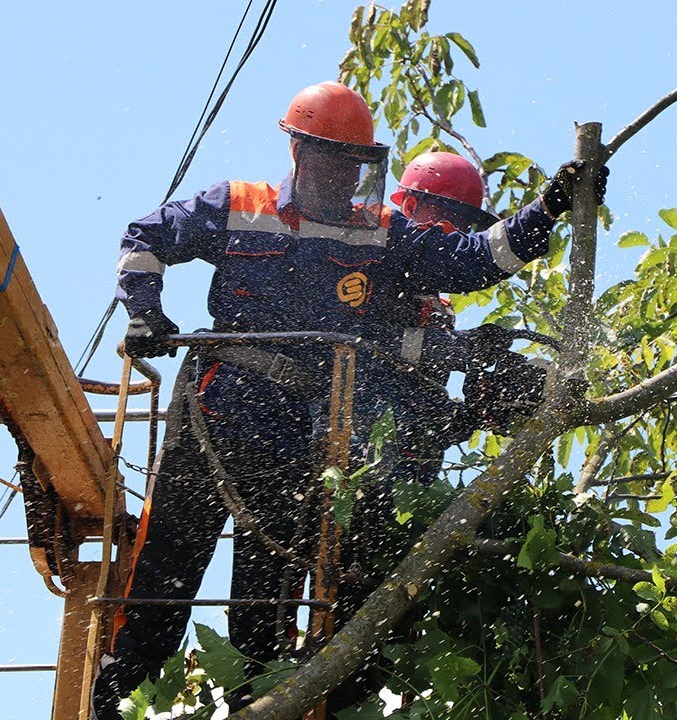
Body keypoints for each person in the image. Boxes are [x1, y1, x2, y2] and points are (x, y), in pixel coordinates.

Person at [92, 80, 606, 718]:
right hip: (213, 412)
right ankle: (114, 695)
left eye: (355, 165)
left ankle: (257, 702)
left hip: (293, 437)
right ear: (301, 155)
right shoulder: (238, 205)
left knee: (264, 600)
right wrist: (145, 312)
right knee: (166, 565)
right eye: (334, 161)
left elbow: (475, 259)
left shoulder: (381, 234)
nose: (343, 177)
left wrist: (546, 211)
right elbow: (145, 236)